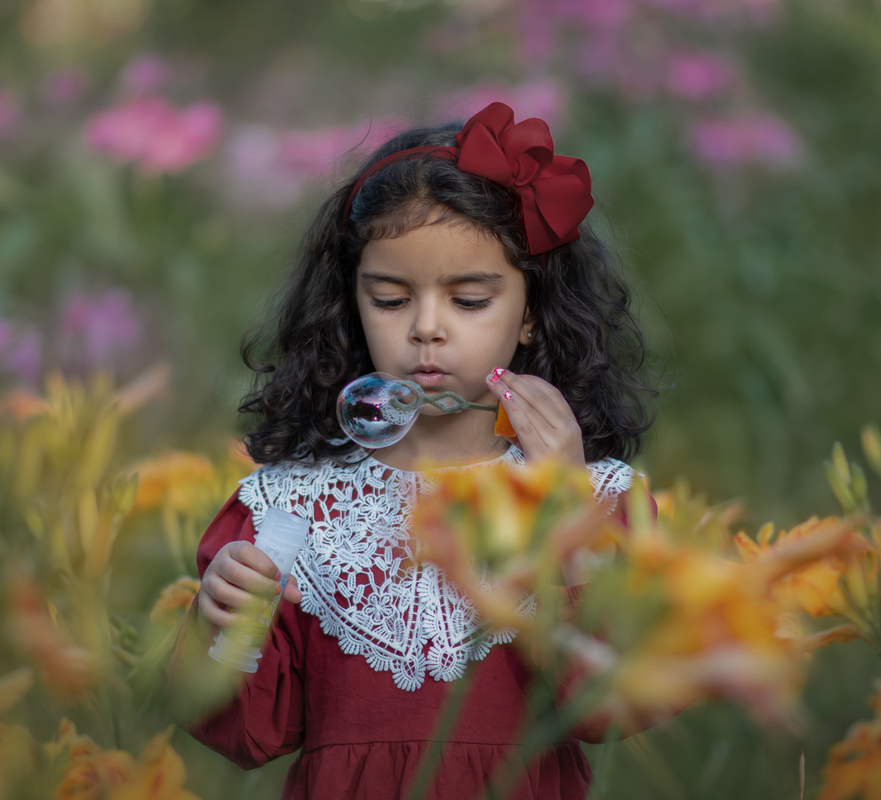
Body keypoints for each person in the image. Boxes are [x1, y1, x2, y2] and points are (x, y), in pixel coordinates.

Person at [171, 101, 657, 800]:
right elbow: (250, 735)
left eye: (468, 301)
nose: (427, 329)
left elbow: (616, 706)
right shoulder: (294, 503)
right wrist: (222, 619)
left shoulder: (598, 495)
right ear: (351, 304)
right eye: (392, 300)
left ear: (532, 313)